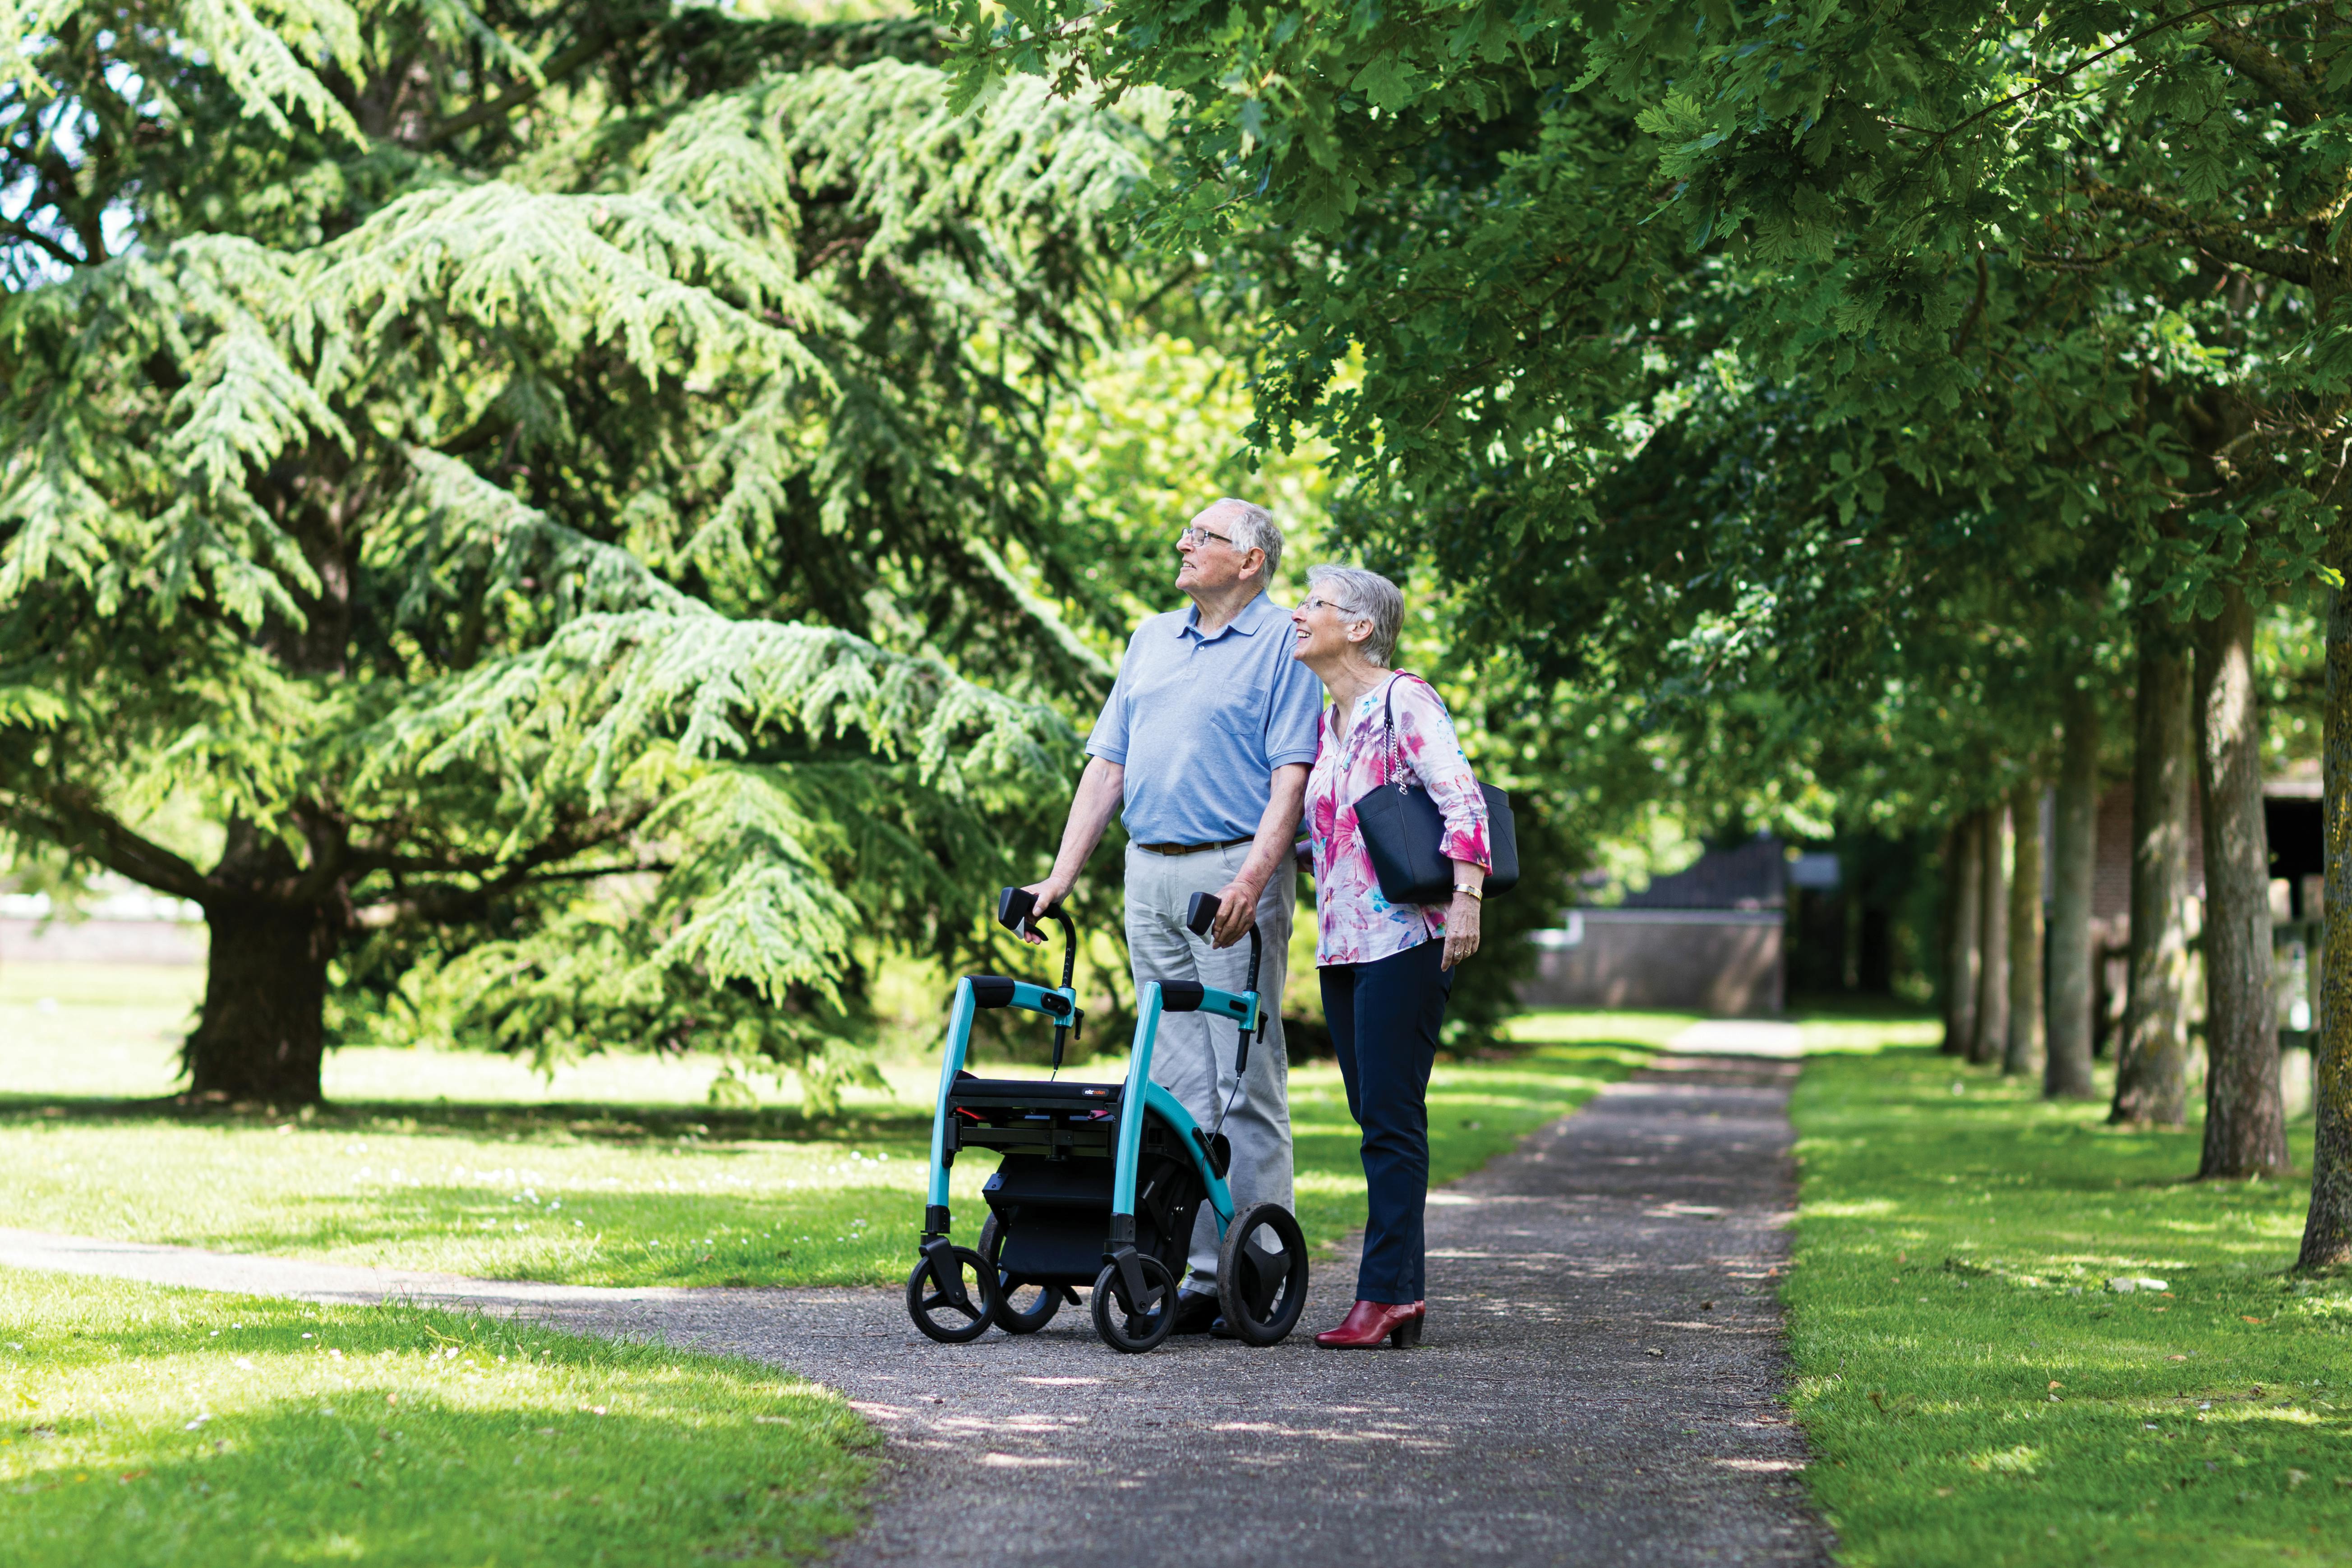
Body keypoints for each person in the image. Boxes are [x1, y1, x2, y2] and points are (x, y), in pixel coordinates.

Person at [1020, 498, 1324, 1333]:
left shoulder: (1284, 645)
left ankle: (1254, 1272)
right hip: (1148, 869)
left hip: (1231, 871)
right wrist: (1059, 877)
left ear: (1252, 561)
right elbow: (1107, 767)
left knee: (1241, 1076)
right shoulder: (1151, 637)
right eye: (1187, 532)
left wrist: (1254, 881)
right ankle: (1192, 1274)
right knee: (1168, 1080)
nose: (1184, 544)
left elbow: (1290, 780)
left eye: (1206, 536)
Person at [1290, 564, 1490, 1349]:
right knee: (1374, 1117)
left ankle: (1383, 1296)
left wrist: (1466, 899)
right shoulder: (1326, 722)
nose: (1298, 614)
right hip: (1342, 946)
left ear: (1361, 626)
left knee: (1390, 1120)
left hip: (1407, 939)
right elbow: (1336, 840)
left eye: (1314, 604)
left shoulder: (1403, 698)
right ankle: (1400, 1294)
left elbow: (1459, 796)